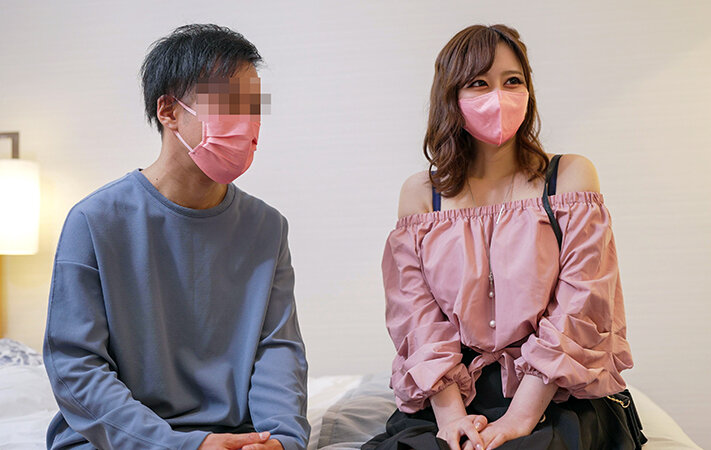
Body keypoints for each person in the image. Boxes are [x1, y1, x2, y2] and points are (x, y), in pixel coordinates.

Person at [364, 24, 647, 450]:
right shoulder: (421, 195)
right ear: (451, 96)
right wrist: (452, 418)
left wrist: (519, 419)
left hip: (556, 392)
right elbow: (415, 318)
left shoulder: (569, 177)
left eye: (512, 81)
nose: (499, 96)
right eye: (479, 83)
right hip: (455, 394)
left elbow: (582, 304)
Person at [42, 24, 309, 450]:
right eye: (228, 103)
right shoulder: (94, 221)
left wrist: (281, 439)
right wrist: (184, 445)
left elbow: (278, 349)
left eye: (253, 107)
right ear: (168, 111)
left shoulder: (267, 227)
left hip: (233, 436)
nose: (245, 123)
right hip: (119, 440)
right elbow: (76, 367)